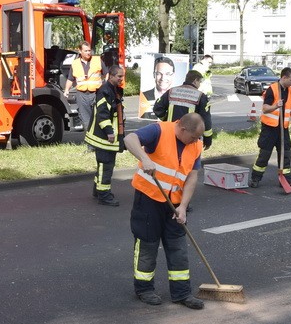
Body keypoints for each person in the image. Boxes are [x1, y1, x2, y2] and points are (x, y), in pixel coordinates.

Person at [123, 113, 207, 309]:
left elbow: (191, 178)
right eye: (194, 137)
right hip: (149, 199)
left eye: (198, 138)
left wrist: (183, 207)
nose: (196, 141)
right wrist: (145, 158)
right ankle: (144, 289)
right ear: (183, 129)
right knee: (147, 245)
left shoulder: (195, 145)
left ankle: (181, 293)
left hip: (174, 203)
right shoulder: (159, 130)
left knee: (178, 247)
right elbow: (130, 139)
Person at [85, 65, 126, 206]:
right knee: (106, 166)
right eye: (119, 76)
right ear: (111, 76)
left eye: (122, 76)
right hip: (105, 137)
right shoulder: (105, 91)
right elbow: (102, 114)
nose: (121, 79)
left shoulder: (113, 90)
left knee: (103, 165)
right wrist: (109, 131)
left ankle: (98, 190)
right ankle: (104, 195)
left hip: (108, 137)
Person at [250, 67, 291, 189]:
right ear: (284, 77)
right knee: (265, 154)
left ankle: (286, 180)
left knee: (285, 154)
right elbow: (265, 109)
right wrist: (276, 106)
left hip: (284, 128)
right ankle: (255, 178)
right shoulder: (272, 89)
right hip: (270, 128)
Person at [153, 69, 213, 149]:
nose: (199, 85)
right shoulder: (201, 96)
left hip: (170, 133)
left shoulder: (172, 91)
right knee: (187, 160)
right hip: (189, 137)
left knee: (170, 158)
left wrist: (166, 118)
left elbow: (157, 108)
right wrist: (208, 139)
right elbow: (206, 119)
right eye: (199, 82)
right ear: (195, 81)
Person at [63, 42, 103, 132]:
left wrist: (106, 87)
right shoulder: (75, 64)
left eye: (89, 50)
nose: (88, 53)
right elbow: (70, 79)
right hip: (82, 95)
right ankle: (90, 140)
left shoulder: (97, 60)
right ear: (80, 51)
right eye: (86, 51)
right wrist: (66, 90)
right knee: (86, 120)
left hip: (96, 93)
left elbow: (107, 73)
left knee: (99, 117)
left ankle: (100, 138)